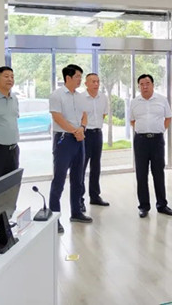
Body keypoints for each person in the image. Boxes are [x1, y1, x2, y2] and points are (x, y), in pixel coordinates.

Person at [49, 64, 92, 233]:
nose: (80, 79)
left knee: (78, 178)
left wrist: (82, 128)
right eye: (77, 76)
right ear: (68, 78)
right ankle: (54, 219)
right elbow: (57, 117)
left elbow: (84, 115)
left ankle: (76, 212)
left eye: (80, 76)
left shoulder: (80, 97)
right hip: (64, 139)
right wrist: (75, 131)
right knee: (59, 180)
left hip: (79, 139)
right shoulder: (57, 95)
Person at [129, 74, 172, 218]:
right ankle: (144, 206)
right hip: (140, 141)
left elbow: (168, 118)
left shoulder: (162, 100)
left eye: (147, 83)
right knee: (141, 174)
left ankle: (162, 205)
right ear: (138, 86)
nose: (145, 86)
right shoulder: (134, 102)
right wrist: (143, 130)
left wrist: (159, 129)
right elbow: (132, 121)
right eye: (142, 84)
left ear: (153, 85)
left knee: (158, 173)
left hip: (157, 141)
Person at [80, 73, 110, 211]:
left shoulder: (103, 97)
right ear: (86, 83)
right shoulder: (80, 98)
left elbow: (103, 114)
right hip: (85, 134)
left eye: (98, 81)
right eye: (93, 81)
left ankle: (95, 196)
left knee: (96, 166)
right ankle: (79, 199)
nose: (96, 84)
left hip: (97, 134)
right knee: (81, 167)